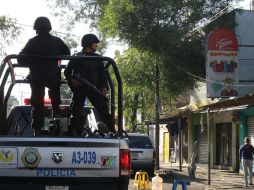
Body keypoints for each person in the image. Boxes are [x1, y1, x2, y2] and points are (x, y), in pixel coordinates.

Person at [18, 16, 71, 136]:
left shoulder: (32, 41)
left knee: (37, 102)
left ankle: (37, 128)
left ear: (36, 28)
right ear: (49, 27)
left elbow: (21, 59)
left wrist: (31, 60)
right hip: (53, 77)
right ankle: (56, 118)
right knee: (55, 99)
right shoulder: (57, 41)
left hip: (37, 78)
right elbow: (67, 54)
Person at [64, 33, 114, 136]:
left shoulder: (98, 58)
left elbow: (102, 74)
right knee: (76, 111)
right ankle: (73, 132)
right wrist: (72, 81)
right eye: (94, 43)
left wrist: (105, 87)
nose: (96, 45)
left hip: (94, 88)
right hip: (80, 88)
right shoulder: (77, 56)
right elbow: (67, 72)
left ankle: (113, 130)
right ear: (88, 44)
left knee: (103, 110)